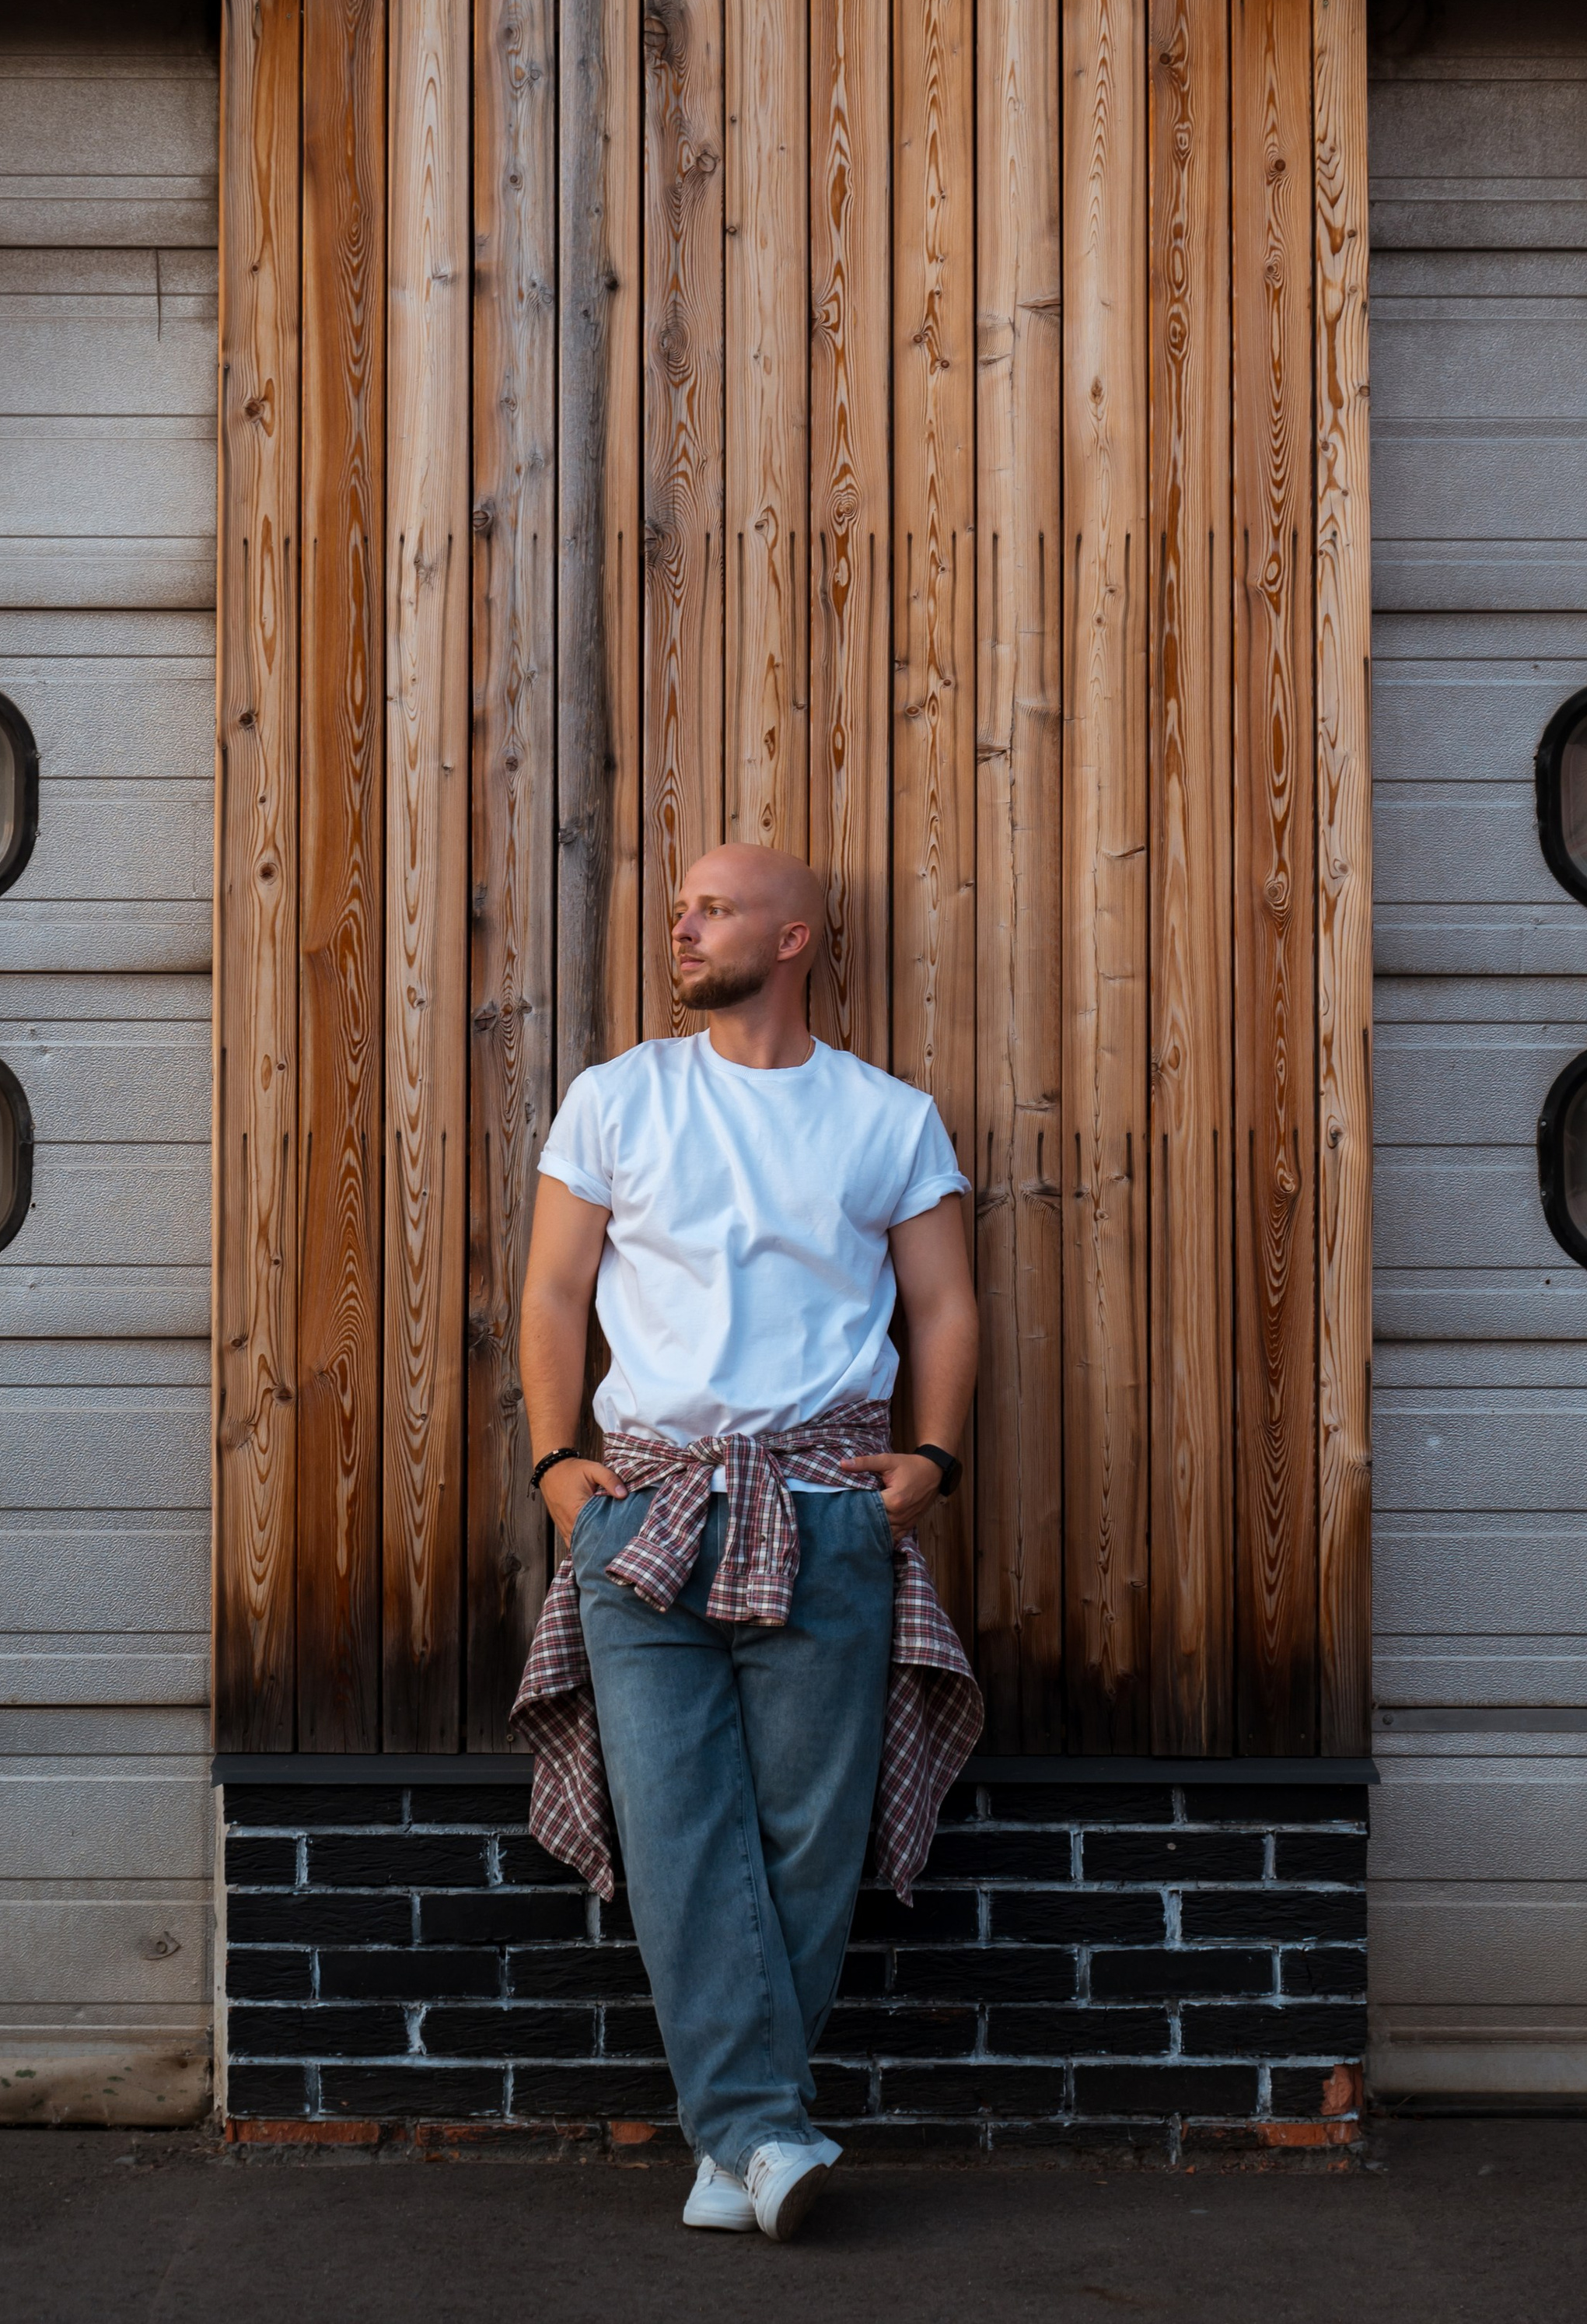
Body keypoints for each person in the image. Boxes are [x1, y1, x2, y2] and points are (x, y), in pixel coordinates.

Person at [509, 844, 982, 2242]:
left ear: (793, 937)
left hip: (827, 1508)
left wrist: (933, 1461)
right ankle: (765, 2133)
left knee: (807, 1840)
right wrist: (556, 1465)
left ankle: (736, 2153)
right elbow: (553, 1290)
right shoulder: (618, 1098)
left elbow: (944, 1305)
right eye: (681, 907)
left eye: (713, 909)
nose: (683, 926)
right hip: (644, 1508)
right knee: (675, 1827)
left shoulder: (888, 1118)